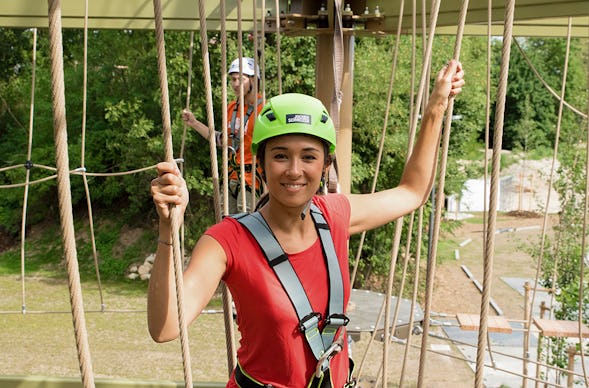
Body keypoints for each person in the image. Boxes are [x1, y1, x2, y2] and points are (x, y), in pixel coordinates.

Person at [149, 60, 465, 387]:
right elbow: (165, 327)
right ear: (261, 163)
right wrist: (166, 231)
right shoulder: (228, 241)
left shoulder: (334, 215)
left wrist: (436, 107)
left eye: (309, 156)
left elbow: (411, 192)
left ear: (326, 164)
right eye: (281, 155)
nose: (294, 170)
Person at [182, 57, 265, 213]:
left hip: (252, 180)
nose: (235, 84)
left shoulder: (264, 109)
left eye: (240, 79)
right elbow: (223, 140)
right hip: (231, 178)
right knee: (226, 220)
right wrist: (194, 123)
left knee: (246, 220)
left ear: (253, 80)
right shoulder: (231, 108)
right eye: (233, 80)